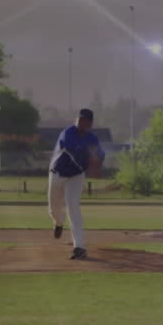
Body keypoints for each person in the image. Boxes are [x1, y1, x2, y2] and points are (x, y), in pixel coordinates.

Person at [48, 108, 106, 260]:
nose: (82, 122)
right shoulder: (68, 133)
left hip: (76, 176)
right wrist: (90, 160)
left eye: (85, 120)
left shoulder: (92, 139)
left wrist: (97, 164)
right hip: (57, 173)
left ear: (90, 124)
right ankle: (58, 223)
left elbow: (100, 155)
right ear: (77, 120)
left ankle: (79, 247)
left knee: (73, 207)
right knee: (54, 208)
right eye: (80, 119)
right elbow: (73, 150)